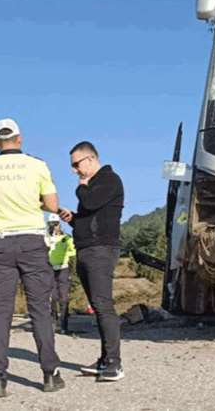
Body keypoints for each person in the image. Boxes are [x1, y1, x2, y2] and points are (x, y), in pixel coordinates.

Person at [0, 118, 65, 398]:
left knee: (1, 310)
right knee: (39, 307)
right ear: (20, 138)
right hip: (31, 241)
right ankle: (50, 373)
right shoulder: (36, 165)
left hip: (0, 242)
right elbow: (51, 204)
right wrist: (34, 199)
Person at [58, 141, 125, 382]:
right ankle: (105, 359)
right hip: (87, 249)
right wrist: (73, 219)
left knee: (103, 305)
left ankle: (114, 363)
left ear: (91, 159)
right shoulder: (93, 186)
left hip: (101, 251)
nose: (74, 170)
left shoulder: (109, 180)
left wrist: (81, 188)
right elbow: (89, 215)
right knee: (97, 307)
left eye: (76, 164)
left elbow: (90, 202)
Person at [46, 214, 76, 334]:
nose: (54, 226)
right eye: (51, 224)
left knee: (64, 298)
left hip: (63, 269)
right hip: (50, 269)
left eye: (56, 224)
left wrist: (66, 257)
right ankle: (53, 322)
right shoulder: (46, 238)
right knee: (53, 298)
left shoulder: (66, 238)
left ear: (59, 224)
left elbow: (72, 250)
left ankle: (64, 325)